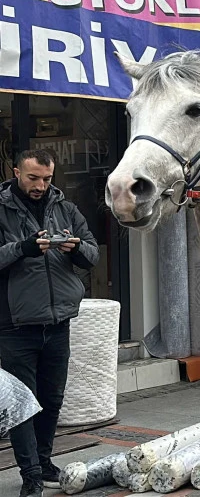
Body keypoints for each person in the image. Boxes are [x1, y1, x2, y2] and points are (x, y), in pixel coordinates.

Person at [0, 149, 99, 497]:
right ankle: (30, 476)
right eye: (33, 178)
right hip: (14, 324)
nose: (41, 185)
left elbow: (92, 252)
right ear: (16, 172)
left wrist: (74, 249)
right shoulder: (1, 209)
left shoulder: (65, 208)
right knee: (21, 403)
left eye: (47, 178)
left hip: (58, 322)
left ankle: (43, 462)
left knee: (52, 399)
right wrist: (21, 249)